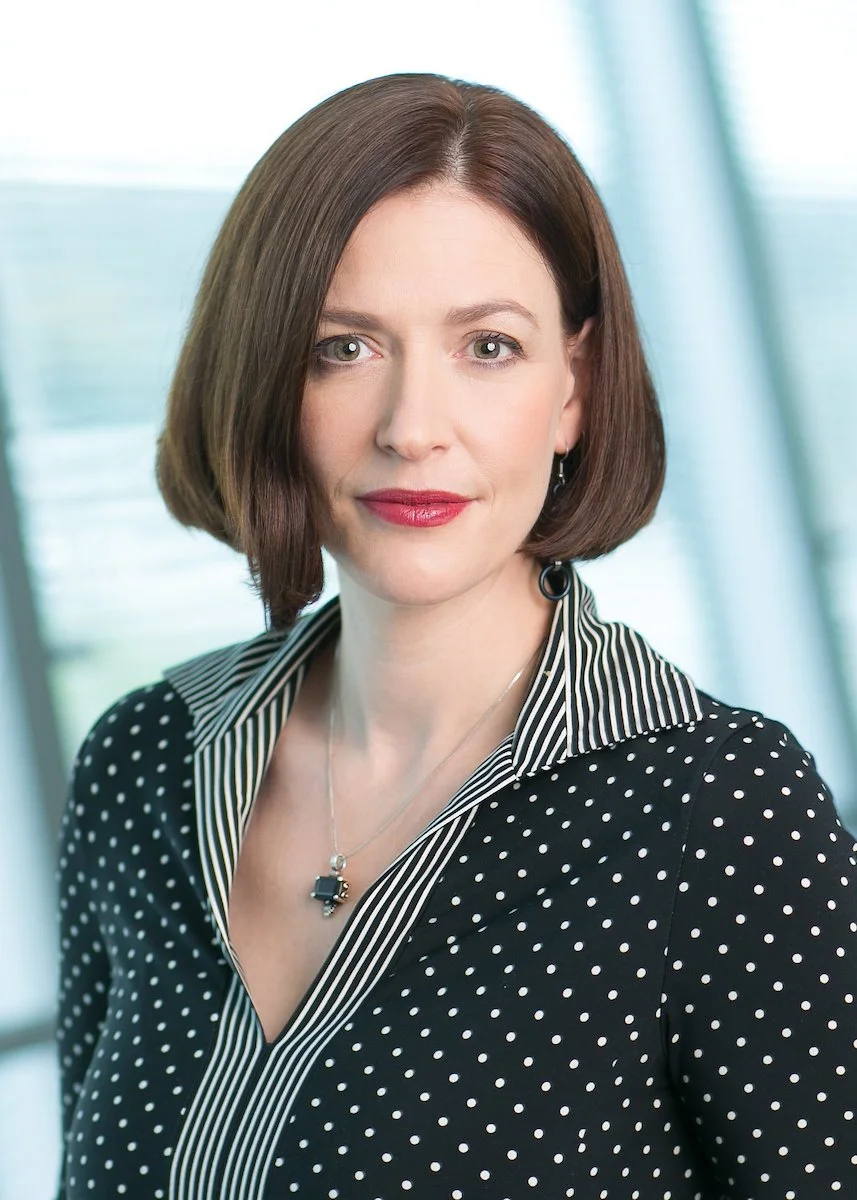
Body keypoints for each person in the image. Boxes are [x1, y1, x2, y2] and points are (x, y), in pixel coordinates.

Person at [55, 71, 856, 1199]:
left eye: (486, 348)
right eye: (345, 347)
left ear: (571, 388)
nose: (411, 429)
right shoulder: (141, 763)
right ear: (265, 378)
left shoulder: (715, 808)